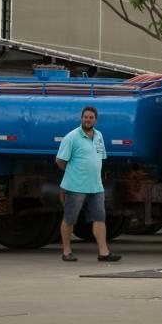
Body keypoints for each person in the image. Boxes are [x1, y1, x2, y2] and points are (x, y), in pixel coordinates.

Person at [55, 106, 121, 262]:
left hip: (96, 187)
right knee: (70, 219)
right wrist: (73, 173)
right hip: (75, 186)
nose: (88, 119)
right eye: (85, 117)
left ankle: (103, 252)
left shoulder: (99, 136)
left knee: (100, 218)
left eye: (91, 117)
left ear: (95, 120)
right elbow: (59, 160)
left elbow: (99, 158)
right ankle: (66, 251)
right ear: (81, 118)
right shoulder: (72, 137)